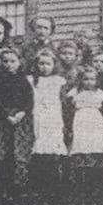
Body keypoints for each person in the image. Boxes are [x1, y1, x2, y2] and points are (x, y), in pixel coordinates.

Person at [0, 48, 35, 198]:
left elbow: (29, 99)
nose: (9, 65)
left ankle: (13, 185)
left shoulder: (23, 80)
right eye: (5, 61)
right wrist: (6, 116)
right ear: (0, 63)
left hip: (19, 119)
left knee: (14, 151)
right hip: (0, 120)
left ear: (19, 62)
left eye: (13, 61)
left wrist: (22, 112)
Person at [27, 48, 69, 196]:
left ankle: (53, 185)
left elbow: (63, 102)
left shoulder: (58, 81)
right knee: (38, 148)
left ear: (54, 65)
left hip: (53, 118)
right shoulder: (32, 81)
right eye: (41, 64)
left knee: (53, 149)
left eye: (48, 64)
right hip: (38, 117)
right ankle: (38, 184)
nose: (44, 67)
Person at [65, 67, 103, 193]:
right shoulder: (76, 92)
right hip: (80, 119)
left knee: (94, 149)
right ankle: (80, 182)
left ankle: (95, 182)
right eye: (85, 79)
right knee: (81, 148)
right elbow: (69, 106)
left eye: (92, 79)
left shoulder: (100, 93)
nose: (89, 82)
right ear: (81, 80)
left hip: (95, 121)